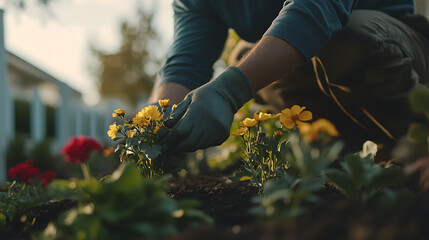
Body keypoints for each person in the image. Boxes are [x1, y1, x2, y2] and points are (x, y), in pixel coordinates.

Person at [148, 0, 429, 153]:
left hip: (396, 49)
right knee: (244, 56)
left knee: (341, 38)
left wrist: (228, 90)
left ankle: (415, 141)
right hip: (324, 64)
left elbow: (316, 10)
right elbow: (185, 66)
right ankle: (335, 154)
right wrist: (151, 131)